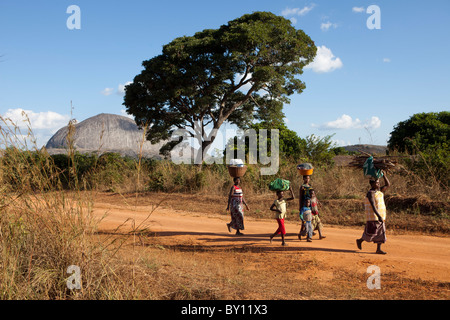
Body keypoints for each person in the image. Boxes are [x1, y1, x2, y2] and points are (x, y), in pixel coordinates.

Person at [356, 171, 390, 254]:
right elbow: (373, 205)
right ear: (372, 184)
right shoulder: (370, 193)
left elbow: (388, 185)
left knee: (381, 233)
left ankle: (378, 249)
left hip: (381, 216)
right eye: (376, 183)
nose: (378, 184)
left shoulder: (379, 191)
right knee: (371, 233)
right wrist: (378, 216)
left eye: (378, 183)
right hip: (373, 217)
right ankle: (360, 240)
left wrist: (384, 176)